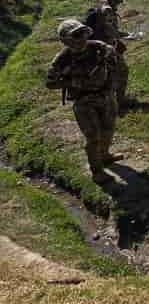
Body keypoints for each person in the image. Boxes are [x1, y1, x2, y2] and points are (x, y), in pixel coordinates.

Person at [46, 20, 121, 184]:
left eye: (82, 33)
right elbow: (50, 83)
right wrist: (72, 82)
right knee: (93, 137)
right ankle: (97, 171)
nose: (81, 38)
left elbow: (114, 62)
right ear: (65, 40)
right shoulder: (62, 59)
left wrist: (111, 85)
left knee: (108, 128)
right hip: (84, 102)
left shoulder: (99, 47)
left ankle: (105, 155)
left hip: (106, 95)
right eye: (76, 35)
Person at [89, 0, 131, 110]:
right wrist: (128, 35)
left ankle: (110, 102)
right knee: (121, 72)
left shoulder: (100, 4)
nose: (120, 1)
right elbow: (111, 31)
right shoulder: (107, 10)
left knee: (109, 75)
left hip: (100, 46)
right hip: (105, 48)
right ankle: (119, 103)